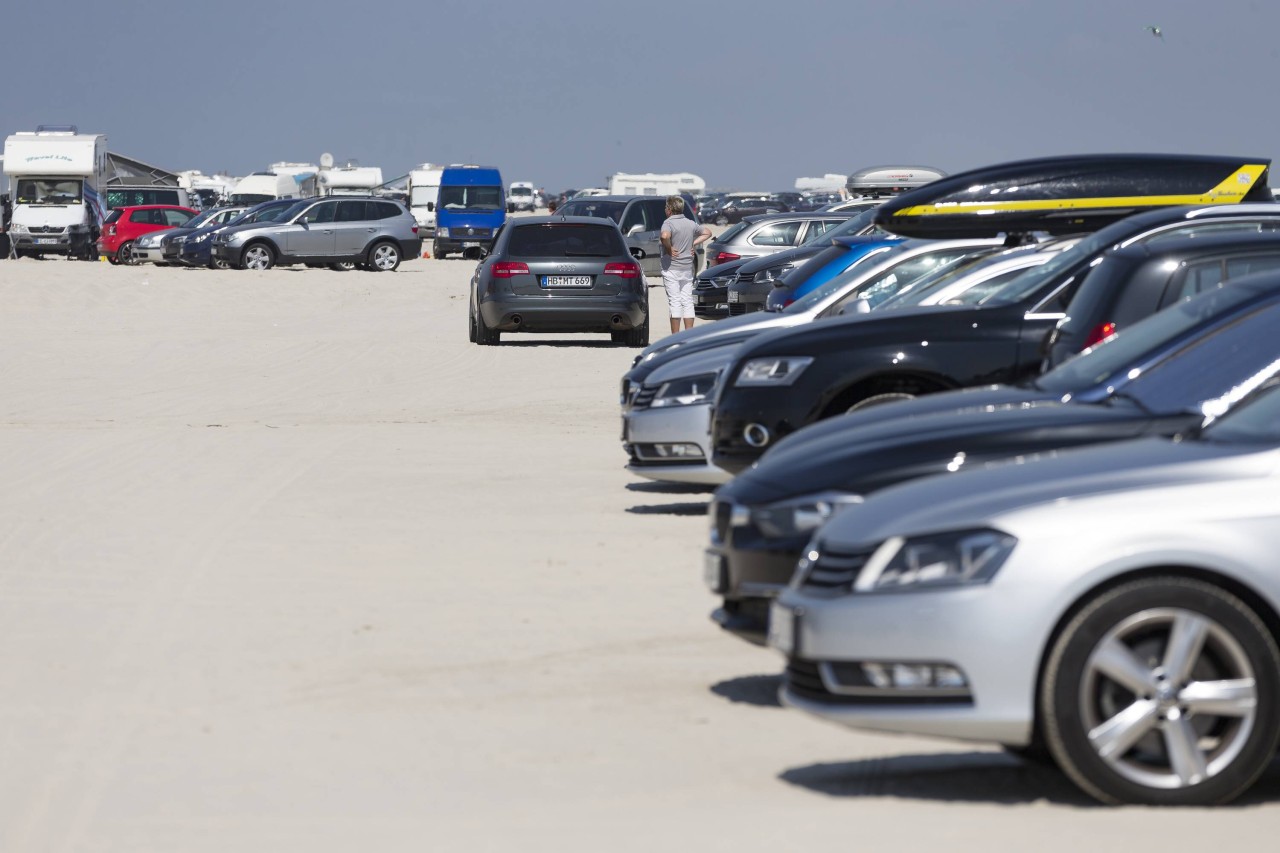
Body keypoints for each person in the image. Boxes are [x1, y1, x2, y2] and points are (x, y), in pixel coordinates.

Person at [659, 195, 712, 333]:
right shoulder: (690, 223)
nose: (665, 209)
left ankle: (675, 337)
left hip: (671, 268)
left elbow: (664, 236)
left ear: (669, 209)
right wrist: (692, 244)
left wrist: (669, 248)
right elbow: (707, 232)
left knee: (675, 302)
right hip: (687, 268)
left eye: (666, 207)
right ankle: (688, 335)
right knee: (687, 301)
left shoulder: (668, 223)